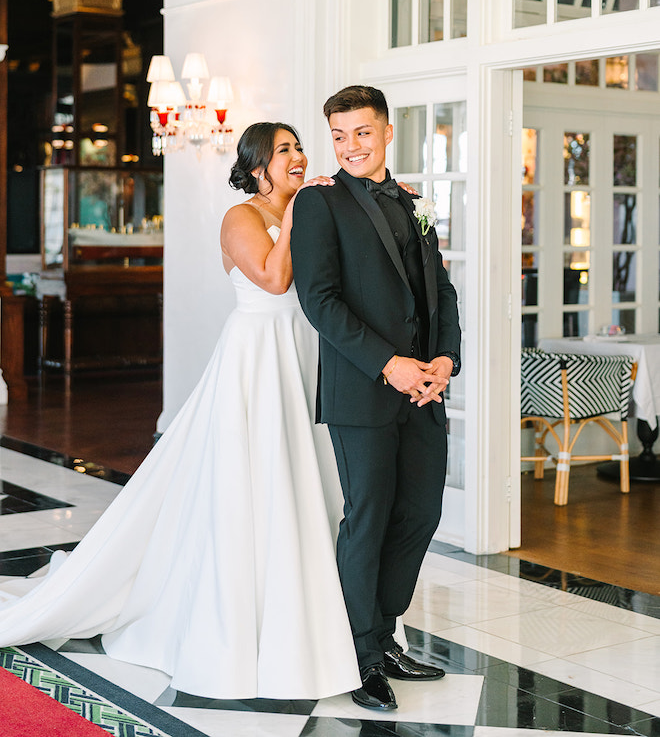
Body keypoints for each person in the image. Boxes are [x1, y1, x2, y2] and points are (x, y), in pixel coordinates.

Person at [0, 122, 361, 701]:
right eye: (285, 151)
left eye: (299, 148)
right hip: (255, 356)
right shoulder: (240, 218)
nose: (298, 158)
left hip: (301, 351)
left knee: (304, 479)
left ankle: (307, 610)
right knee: (251, 479)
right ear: (258, 166)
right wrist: (299, 213)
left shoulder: (310, 208)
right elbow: (272, 279)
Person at [290, 86, 461, 711]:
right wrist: (388, 364)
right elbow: (320, 302)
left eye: (361, 133)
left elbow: (440, 292)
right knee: (368, 521)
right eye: (338, 136)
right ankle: (358, 655)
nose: (350, 146)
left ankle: (384, 635)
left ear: (387, 132)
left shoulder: (414, 202)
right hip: (363, 391)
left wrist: (445, 359)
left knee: (419, 515)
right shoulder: (319, 204)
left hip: (425, 392)